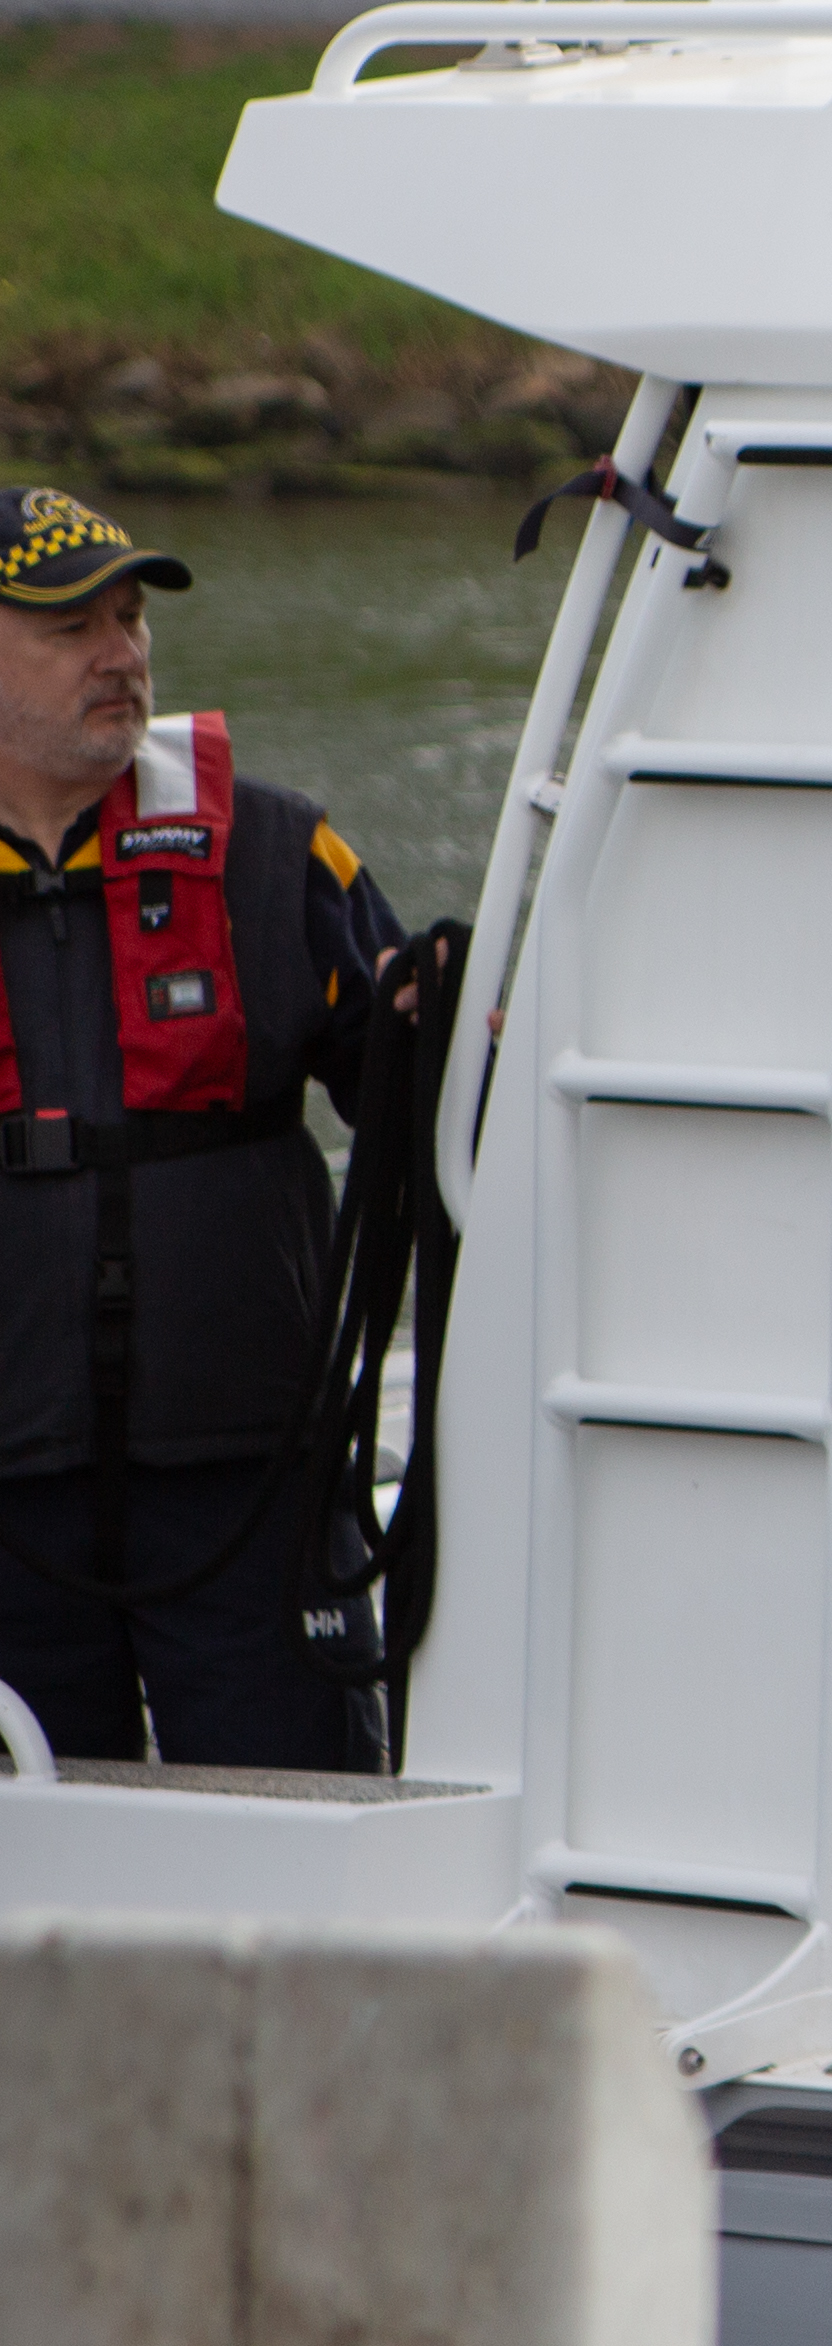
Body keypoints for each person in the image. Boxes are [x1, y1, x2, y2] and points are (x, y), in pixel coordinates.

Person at [0, 490, 416, 1769]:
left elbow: (441, 1117)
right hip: (9, 1502)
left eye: (129, 619)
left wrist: (444, 1021)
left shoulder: (276, 852)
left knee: (306, 1863)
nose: (121, 653)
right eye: (75, 625)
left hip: (247, 1486)